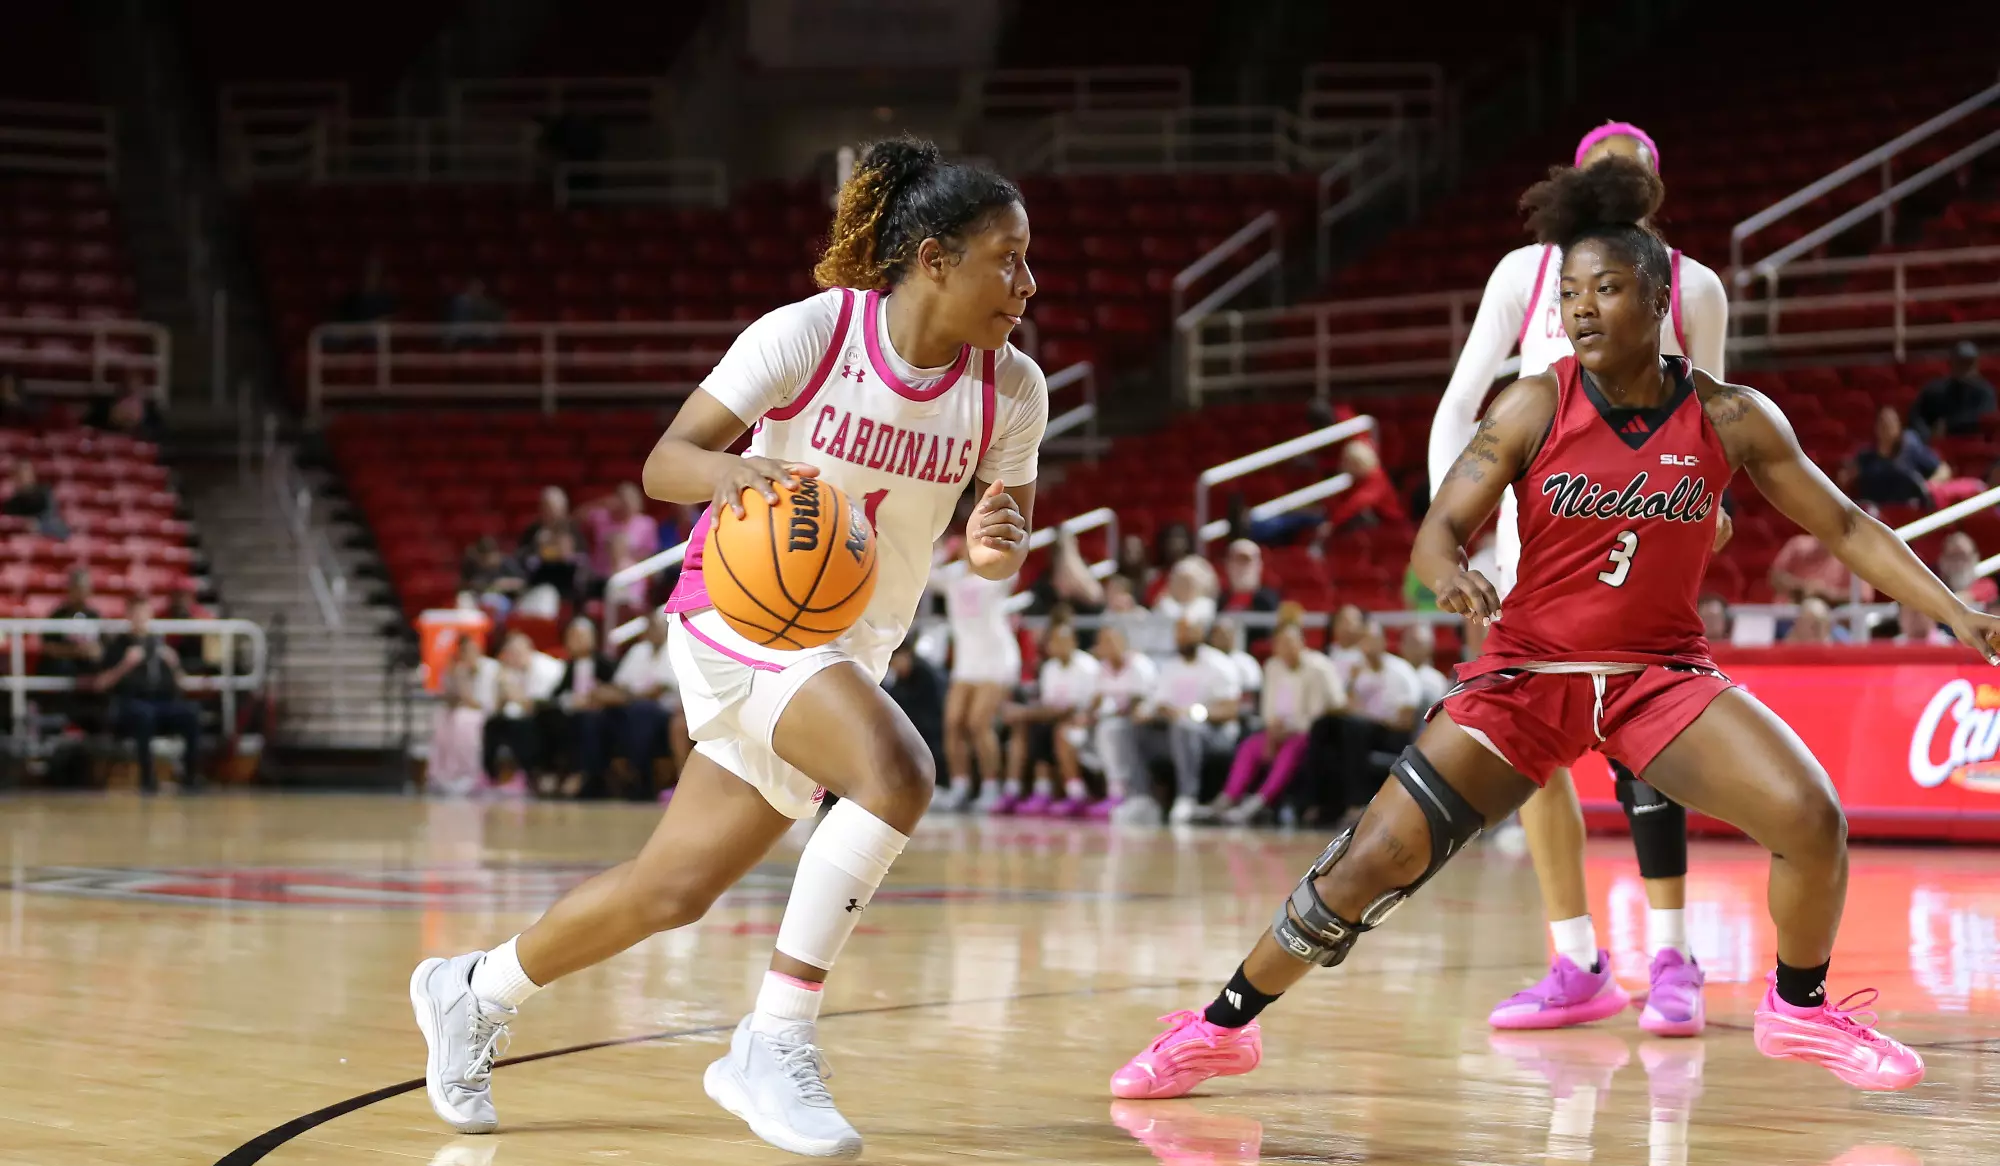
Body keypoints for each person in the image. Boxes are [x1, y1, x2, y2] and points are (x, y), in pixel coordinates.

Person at [1113, 155, 1982, 1102]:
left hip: (1660, 678)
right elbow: (1442, 524)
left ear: (1661, 302)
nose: (1579, 309)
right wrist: (1450, 576)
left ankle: (1799, 1007)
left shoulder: (1732, 418)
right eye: (1568, 293)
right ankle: (1219, 1028)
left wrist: (1961, 613)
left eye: (1605, 289)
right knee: (1371, 862)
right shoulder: (1535, 402)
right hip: (1530, 674)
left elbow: (1850, 527)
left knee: (1811, 816)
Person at [410, 136, 1046, 1156]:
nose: (1027, 280)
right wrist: (732, 480)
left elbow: (996, 538)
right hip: (742, 614)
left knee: (671, 889)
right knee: (896, 772)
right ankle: (771, 1040)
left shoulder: (1011, 388)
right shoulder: (808, 333)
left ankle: (471, 988)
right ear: (932, 258)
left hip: (849, 647)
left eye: (1027, 259)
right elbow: (668, 461)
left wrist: (995, 538)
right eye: (1006, 257)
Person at [1424, 121, 1730, 1035]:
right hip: (1533, 549)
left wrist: (1707, 510)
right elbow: (1459, 406)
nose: (1612, 184)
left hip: (1643, 542)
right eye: (1599, 171)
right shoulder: (1525, 275)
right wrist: (1464, 536)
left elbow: (1710, 411)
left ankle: (1673, 955)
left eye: (1629, 175)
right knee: (1531, 759)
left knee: (1649, 740)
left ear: (1654, 195)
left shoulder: (1696, 285)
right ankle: (1575, 960)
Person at [1217, 618, 1344, 826]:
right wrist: (1272, 730)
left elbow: (1319, 712)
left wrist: (1290, 729)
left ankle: (1259, 802)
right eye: (1280, 643)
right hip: (1277, 729)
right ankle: (1228, 797)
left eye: (1289, 642)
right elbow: (1268, 706)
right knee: (1251, 745)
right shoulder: (1272, 667)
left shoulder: (1318, 668)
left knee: (1291, 748)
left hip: (1309, 733)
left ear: (1302, 642)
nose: (1285, 648)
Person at [1127, 614, 1244, 825]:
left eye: (1187, 632)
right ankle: (1142, 796)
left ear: (1200, 633)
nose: (1182, 638)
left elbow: (1230, 709)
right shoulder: (1170, 667)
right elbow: (1159, 701)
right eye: (1178, 633)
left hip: (1216, 734)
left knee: (1185, 726)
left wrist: (1193, 713)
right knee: (1136, 729)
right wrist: (1151, 712)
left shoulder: (1219, 664)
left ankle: (1186, 797)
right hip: (1174, 731)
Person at [935, 538, 1021, 813]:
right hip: (966, 661)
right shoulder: (953, 577)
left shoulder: (994, 577)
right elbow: (925, 576)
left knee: (978, 723)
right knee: (952, 722)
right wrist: (942, 553)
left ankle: (990, 786)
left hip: (996, 658)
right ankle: (960, 786)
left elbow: (1014, 569)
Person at [96, 596, 201, 793]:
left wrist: (175, 664)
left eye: (144, 613)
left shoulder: (161, 644)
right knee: (144, 715)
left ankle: (190, 776)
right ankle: (147, 778)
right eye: (136, 614)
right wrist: (125, 665)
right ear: (128, 616)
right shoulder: (118, 645)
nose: (140, 618)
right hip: (130, 702)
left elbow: (182, 683)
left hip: (162, 702)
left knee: (191, 713)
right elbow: (100, 684)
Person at [1003, 616, 1101, 814]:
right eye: (1055, 641)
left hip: (1087, 724)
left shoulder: (1087, 666)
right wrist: (1030, 714)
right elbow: (1050, 706)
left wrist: (1025, 712)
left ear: (1074, 641)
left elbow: (1073, 708)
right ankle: (1021, 791)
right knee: (1026, 729)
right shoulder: (1050, 668)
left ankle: (1077, 795)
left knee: (1058, 729)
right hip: (1054, 719)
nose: (1059, 646)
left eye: (1064, 640)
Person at [606, 612, 687, 800]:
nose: (652, 631)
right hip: (634, 707)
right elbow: (620, 683)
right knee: (607, 717)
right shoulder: (637, 651)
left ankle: (642, 776)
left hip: (666, 710)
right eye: (649, 628)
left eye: (656, 626)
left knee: (642, 711)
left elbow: (659, 690)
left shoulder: (677, 649)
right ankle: (611, 779)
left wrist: (628, 696)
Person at [1087, 624, 1159, 821]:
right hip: (1113, 721)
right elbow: (1097, 700)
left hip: (1147, 722)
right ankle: (1111, 792)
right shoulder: (1102, 669)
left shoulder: (1139, 665)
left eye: (1110, 641)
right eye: (1102, 642)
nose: (1106, 646)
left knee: (1112, 730)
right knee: (1089, 731)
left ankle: (1124, 794)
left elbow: (1139, 702)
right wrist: (1088, 715)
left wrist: (1111, 712)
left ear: (1123, 643)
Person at [1909, 340, 1994, 439]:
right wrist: (1927, 435)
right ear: (1951, 363)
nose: (1965, 367)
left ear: (1977, 364)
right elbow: (1916, 416)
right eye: (1961, 362)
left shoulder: (1985, 391)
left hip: (1972, 443)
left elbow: (1984, 420)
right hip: (1938, 445)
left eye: (1969, 363)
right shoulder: (1936, 390)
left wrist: (1948, 427)